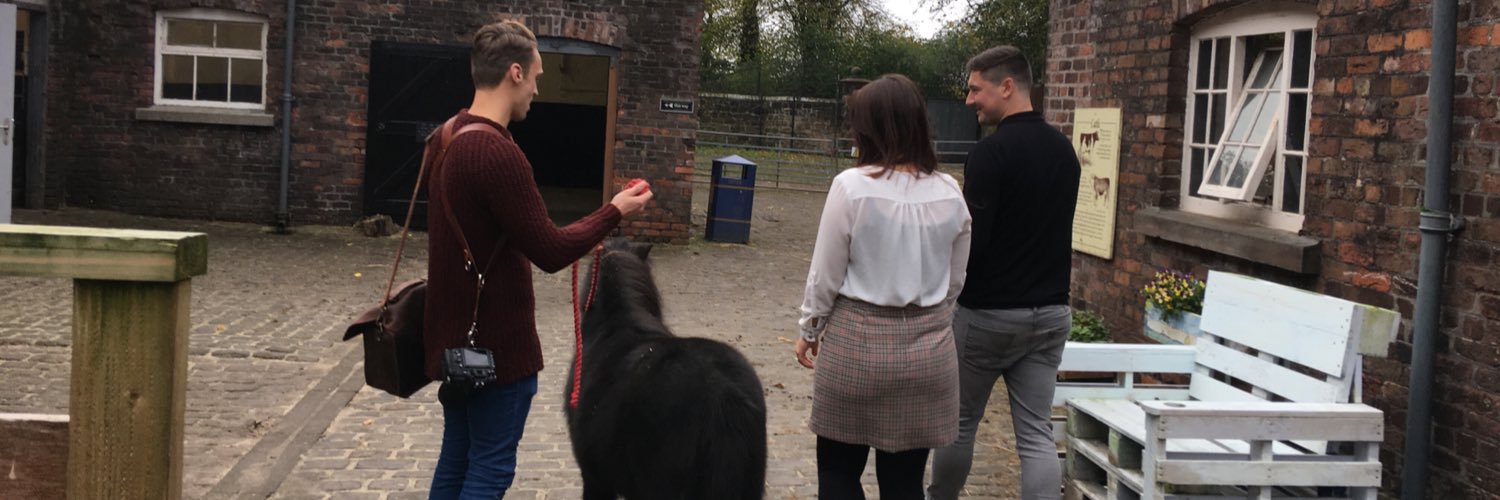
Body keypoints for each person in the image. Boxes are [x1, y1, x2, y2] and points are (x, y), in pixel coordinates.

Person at [422, 20, 652, 499]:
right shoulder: (498, 153)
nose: (537, 89)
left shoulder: (444, 137)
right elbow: (549, 250)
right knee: (490, 468)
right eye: (536, 77)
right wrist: (615, 211)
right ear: (513, 73)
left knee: (457, 456)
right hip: (495, 351)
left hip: (453, 342)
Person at [795, 74, 973, 500]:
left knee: (838, 475)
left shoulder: (852, 187)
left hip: (856, 345)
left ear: (871, 127)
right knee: (905, 483)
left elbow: (825, 273)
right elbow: (956, 279)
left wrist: (809, 329)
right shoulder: (950, 191)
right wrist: (928, 312)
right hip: (927, 355)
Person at [927, 46, 1080, 500]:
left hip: (988, 316)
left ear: (1007, 86)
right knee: (1036, 436)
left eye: (976, 89)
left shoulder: (990, 155)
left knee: (958, 423)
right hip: (1051, 312)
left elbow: (974, 242)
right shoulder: (1065, 153)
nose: (970, 100)